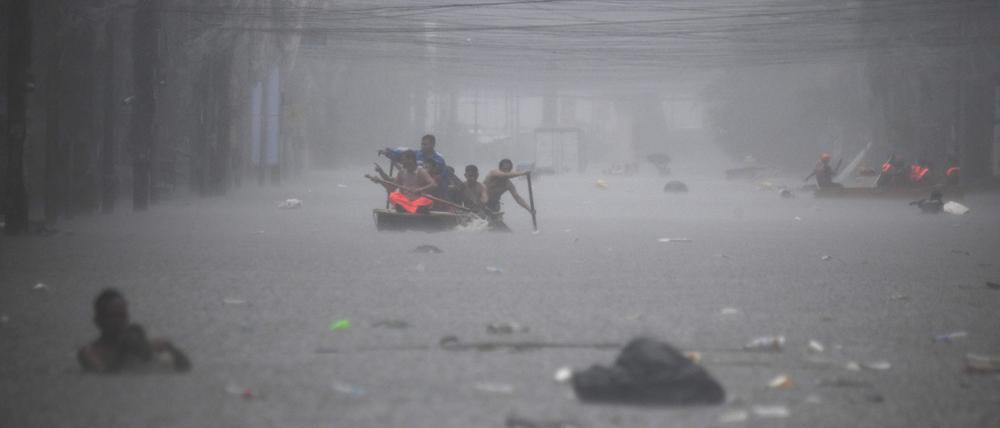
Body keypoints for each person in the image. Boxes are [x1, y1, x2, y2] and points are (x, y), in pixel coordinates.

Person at [77, 289, 191, 373]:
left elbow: (186, 368)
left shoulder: (138, 342)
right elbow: (102, 376)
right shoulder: (89, 352)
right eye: (112, 316)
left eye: (122, 316)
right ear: (98, 320)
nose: (119, 321)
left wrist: (170, 348)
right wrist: (123, 353)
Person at [368, 150, 437, 214]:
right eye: (402, 160)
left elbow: (433, 185)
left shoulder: (421, 171)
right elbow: (392, 188)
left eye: (404, 160)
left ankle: (409, 209)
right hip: (405, 202)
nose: (402, 162)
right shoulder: (402, 172)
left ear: (411, 160)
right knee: (393, 195)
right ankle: (412, 209)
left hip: (418, 202)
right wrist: (380, 181)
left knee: (428, 199)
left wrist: (420, 189)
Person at [380, 134, 448, 179]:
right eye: (422, 144)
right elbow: (401, 155)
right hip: (414, 187)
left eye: (425, 144)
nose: (422, 146)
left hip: (431, 189)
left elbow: (443, 178)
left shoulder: (440, 160)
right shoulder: (416, 154)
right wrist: (388, 153)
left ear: (433, 144)